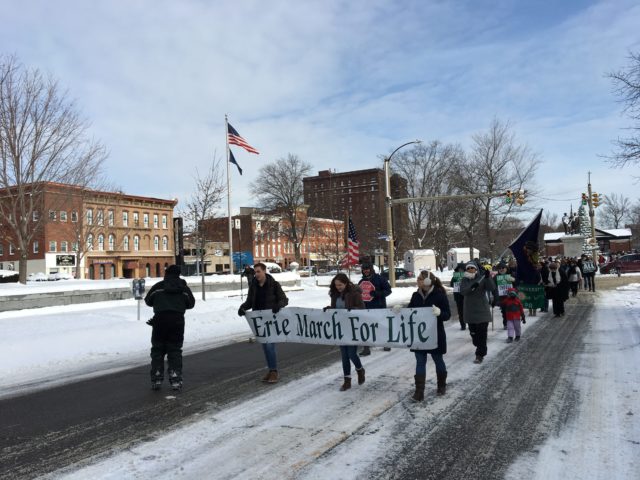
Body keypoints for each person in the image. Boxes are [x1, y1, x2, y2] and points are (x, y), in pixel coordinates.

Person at [144, 265, 196, 391]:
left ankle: (157, 377)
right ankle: (175, 378)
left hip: (159, 321)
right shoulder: (183, 288)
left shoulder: (158, 286)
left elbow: (148, 300)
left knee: (157, 350)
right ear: (178, 274)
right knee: (175, 350)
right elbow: (191, 304)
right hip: (177, 322)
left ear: (166, 273)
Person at [238, 262, 289, 383]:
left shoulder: (274, 285)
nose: (256, 274)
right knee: (265, 346)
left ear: (264, 271)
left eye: (258, 271)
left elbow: (284, 299)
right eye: (255, 272)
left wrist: (278, 306)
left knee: (270, 345)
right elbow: (249, 301)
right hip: (259, 321)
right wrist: (243, 308)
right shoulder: (254, 286)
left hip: (271, 320)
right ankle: (271, 370)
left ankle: (274, 372)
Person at [408, 270, 451, 401]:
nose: (418, 281)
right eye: (418, 279)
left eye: (420, 279)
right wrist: (399, 311)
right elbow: (409, 312)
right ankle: (419, 391)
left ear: (427, 281)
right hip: (419, 335)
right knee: (420, 361)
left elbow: (447, 314)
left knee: (438, 359)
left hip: (435, 334)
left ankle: (441, 385)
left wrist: (440, 313)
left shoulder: (440, 295)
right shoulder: (416, 295)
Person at [325, 273, 366, 391]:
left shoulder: (354, 293)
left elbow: (363, 309)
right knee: (344, 355)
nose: (338, 287)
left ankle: (360, 369)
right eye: (336, 285)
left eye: (340, 285)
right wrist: (329, 309)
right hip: (340, 327)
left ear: (346, 283)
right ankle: (347, 380)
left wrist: (353, 309)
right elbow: (335, 308)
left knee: (351, 353)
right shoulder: (334, 294)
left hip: (353, 327)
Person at [459, 262, 498, 364]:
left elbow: (491, 287)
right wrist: (473, 286)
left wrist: (488, 277)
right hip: (470, 311)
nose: (471, 269)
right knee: (475, 336)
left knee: (482, 333)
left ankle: (480, 354)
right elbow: (463, 291)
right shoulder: (464, 280)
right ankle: (479, 345)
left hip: (482, 310)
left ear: (476, 269)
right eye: (469, 268)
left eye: (472, 268)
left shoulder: (482, 278)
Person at [358, 262, 392, 356]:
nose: (366, 271)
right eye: (364, 269)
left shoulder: (380, 279)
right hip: (365, 309)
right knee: (365, 328)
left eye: (367, 268)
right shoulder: (361, 282)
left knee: (381, 326)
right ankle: (366, 348)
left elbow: (388, 290)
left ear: (371, 269)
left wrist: (376, 293)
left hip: (379, 307)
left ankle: (386, 343)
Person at [494, 262, 515, 330]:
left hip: (511, 297)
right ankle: (505, 323)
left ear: (506, 268)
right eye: (500, 268)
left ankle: (511, 322)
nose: (501, 269)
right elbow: (492, 286)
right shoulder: (496, 277)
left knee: (511, 310)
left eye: (503, 268)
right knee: (504, 311)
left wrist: (513, 280)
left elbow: (517, 283)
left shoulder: (511, 275)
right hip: (502, 297)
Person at [450, 262, 466, 330]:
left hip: (466, 295)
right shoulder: (454, 276)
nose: (460, 271)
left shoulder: (466, 275)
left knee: (467, 310)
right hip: (458, 296)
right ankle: (462, 325)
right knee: (460, 311)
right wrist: (455, 281)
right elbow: (451, 284)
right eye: (459, 269)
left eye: (462, 270)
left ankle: (468, 322)